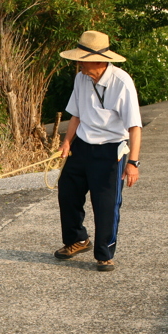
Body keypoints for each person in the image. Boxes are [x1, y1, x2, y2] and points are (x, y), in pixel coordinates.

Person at [54, 30, 142, 272]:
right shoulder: (80, 78)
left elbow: (135, 127)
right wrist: (67, 142)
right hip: (82, 145)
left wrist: (133, 163)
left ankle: (104, 253)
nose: (79, 64)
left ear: (98, 60)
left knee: (105, 204)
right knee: (67, 193)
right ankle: (77, 240)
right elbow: (76, 114)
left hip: (111, 150)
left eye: (82, 59)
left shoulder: (122, 82)